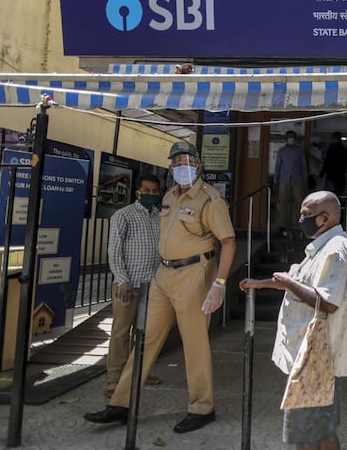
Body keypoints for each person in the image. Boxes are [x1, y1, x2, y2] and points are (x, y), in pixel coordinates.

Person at [85, 141, 236, 434]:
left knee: (194, 343)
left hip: (195, 273)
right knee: (146, 340)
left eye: (187, 161)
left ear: (198, 166)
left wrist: (219, 284)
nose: (181, 167)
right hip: (163, 275)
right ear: (170, 168)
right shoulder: (168, 196)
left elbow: (228, 242)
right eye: (176, 162)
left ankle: (202, 407)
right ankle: (121, 403)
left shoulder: (210, 200)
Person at [239, 190, 347, 450]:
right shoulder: (322, 247)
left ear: (324, 218)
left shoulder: (336, 250)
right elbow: (298, 279)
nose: (300, 220)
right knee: (313, 431)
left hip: (317, 358)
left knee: (314, 432)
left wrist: (289, 283)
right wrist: (262, 284)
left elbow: (328, 302)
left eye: (306, 215)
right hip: (309, 358)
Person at [104, 174, 163, 398]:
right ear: (137, 193)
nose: (150, 195)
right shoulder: (123, 215)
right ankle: (114, 379)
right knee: (121, 332)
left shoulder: (160, 217)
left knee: (145, 333)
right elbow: (114, 251)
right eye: (146, 191)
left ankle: (140, 373)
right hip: (129, 284)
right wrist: (122, 279)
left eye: (154, 191)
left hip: (154, 285)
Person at [274, 130, 308, 236]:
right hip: (284, 179)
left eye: (292, 137)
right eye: (289, 137)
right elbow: (278, 167)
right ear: (286, 138)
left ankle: (299, 223)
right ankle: (283, 223)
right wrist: (276, 181)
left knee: (299, 202)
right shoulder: (281, 151)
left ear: (295, 138)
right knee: (283, 202)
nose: (291, 139)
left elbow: (304, 166)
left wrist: (305, 179)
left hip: (298, 179)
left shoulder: (300, 151)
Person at [319, 131, 347, 196]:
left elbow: (327, 162)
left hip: (331, 176)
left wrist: (321, 175)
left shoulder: (331, 149)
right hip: (341, 177)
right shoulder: (344, 150)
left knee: (328, 197)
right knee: (338, 196)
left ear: (333, 138)